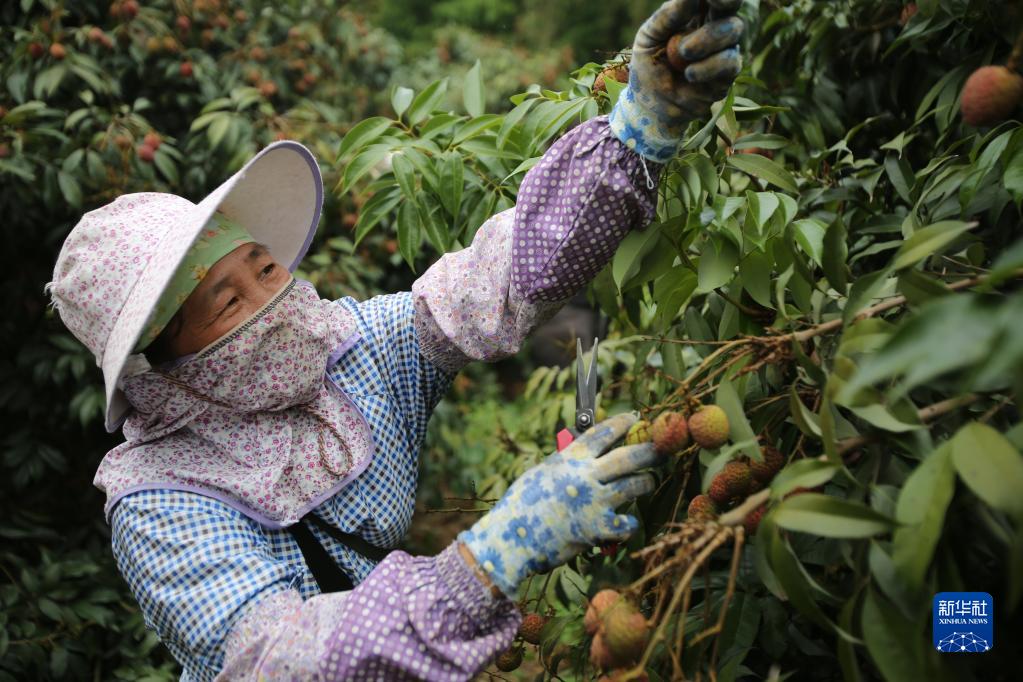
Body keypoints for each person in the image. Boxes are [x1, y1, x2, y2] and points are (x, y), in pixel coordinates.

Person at [44, 1, 744, 679]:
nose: (272, 304)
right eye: (227, 302)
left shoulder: (350, 353)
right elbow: (275, 660)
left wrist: (639, 127)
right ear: (165, 361)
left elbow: (495, 280)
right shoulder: (159, 502)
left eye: (264, 268)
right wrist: (492, 556)